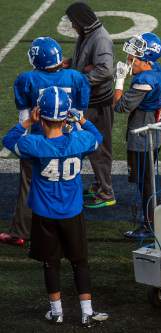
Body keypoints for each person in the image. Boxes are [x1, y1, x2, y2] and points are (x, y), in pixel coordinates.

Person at [2, 87, 108, 327]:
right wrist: (81, 119)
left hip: (43, 213)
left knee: (50, 262)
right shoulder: (79, 140)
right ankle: (86, 312)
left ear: (41, 113)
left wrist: (28, 121)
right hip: (72, 211)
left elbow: (8, 140)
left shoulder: (33, 144)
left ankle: (57, 311)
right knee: (79, 261)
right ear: (65, 115)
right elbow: (97, 137)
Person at [0, 36, 90, 247]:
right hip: (69, 141)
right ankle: (70, 229)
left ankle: (20, 231)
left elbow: (24, 117)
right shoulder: (76, 77)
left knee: (29, 185)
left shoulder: (27, 79)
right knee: (70, 183)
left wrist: (22, 143)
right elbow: (79, 114)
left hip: (40, 142)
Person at [113, 32, 161, 240]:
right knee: (147, 181)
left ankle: (149, 225)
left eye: (133, 58)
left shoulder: (144, 80)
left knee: (145, 183)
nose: (129, 61)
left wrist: (119, 80)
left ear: (145, 60)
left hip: (143, 135)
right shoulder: (158, 70)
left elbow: (120, 106)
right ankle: (151, 221)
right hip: (154, 131)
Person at [64, 1, 116, 208]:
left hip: (98, 102)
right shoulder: (88, 34)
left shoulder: (100, 39)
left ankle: (106, 193)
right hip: (91, 100)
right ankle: (98, 184)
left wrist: (79, 78)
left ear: (80, 20)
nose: (71, 25)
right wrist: (70, 63)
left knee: (99, 148)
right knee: (94, 145)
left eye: (72, 21)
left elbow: (106, 70)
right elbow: (87, 63)